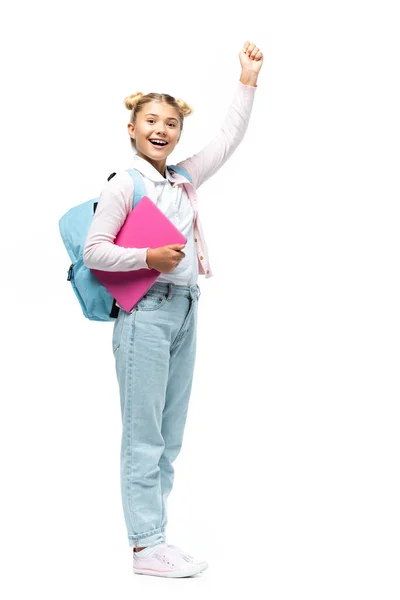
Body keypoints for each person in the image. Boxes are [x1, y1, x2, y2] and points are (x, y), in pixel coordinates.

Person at [83, 40, 263, 578]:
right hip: (145, 314)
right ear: (133, 130)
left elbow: (228, 140)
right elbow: (95, 250)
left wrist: (247, 80)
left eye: (170, 123)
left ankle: (155, 539)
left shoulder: (182, 178)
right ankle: (145, 546)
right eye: (151, 122)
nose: (161, 130)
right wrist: (148, 255)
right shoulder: (125, 183)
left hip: (186, 309)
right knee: (144, 434)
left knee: (171, 433)